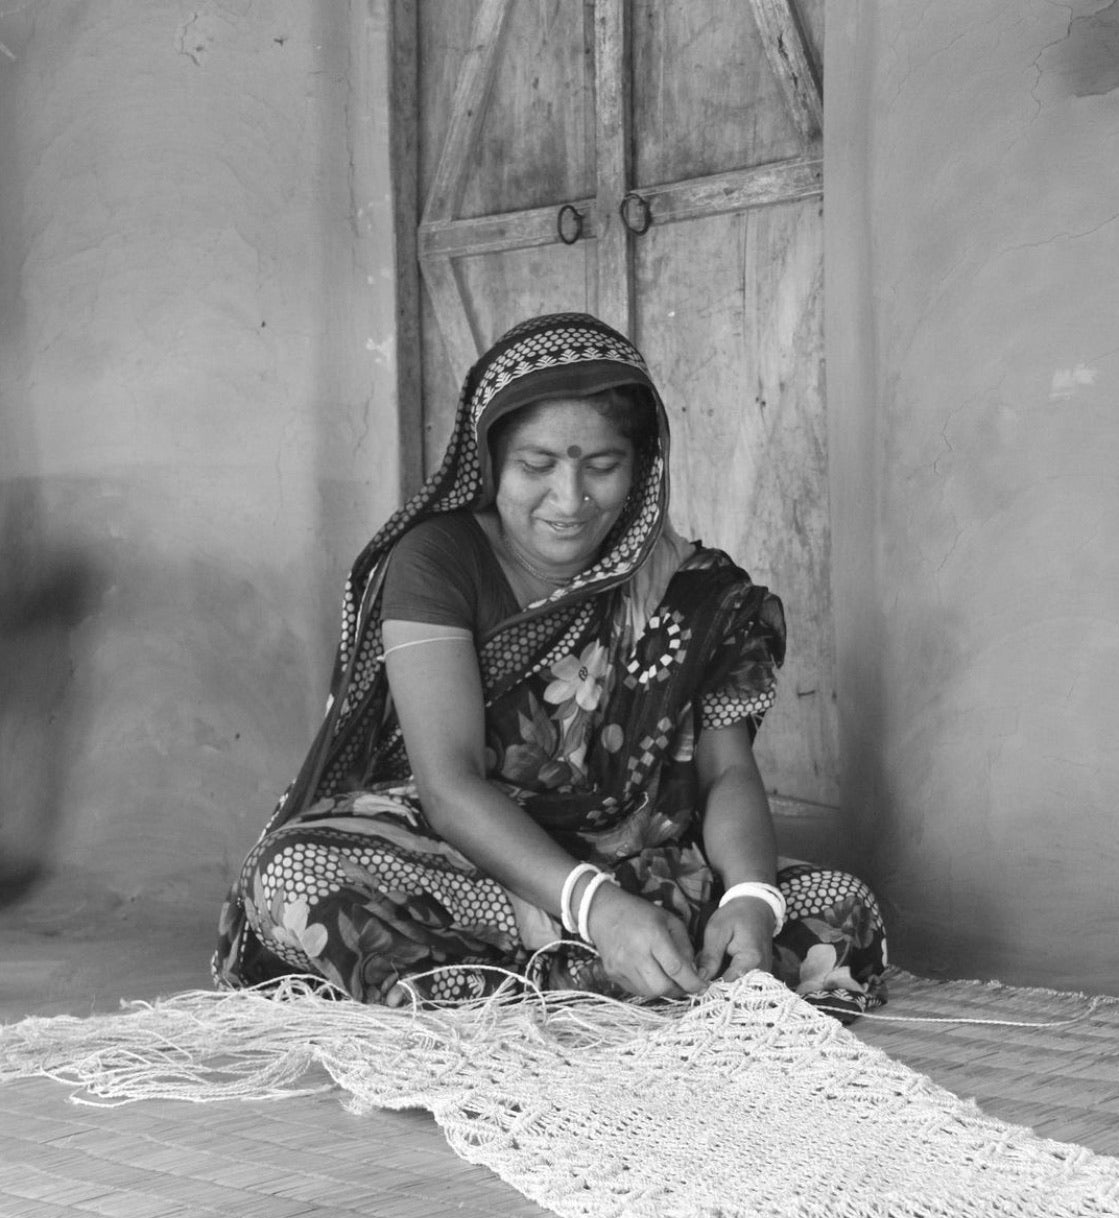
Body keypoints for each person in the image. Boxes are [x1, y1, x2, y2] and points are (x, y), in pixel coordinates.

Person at [214, 312, 887, 1015]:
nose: (569, 500)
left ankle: (561, 988)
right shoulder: (438, 561)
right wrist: (597, 911)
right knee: (295, 875)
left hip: (635, 865)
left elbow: (725, 773)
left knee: (842, 911)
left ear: (641, 465)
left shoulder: (696, 591)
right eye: (536, 466)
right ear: (489, 461)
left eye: (602, 466)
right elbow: (448, 786)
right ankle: (632, 979)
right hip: (468, 861)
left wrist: (750, 898)